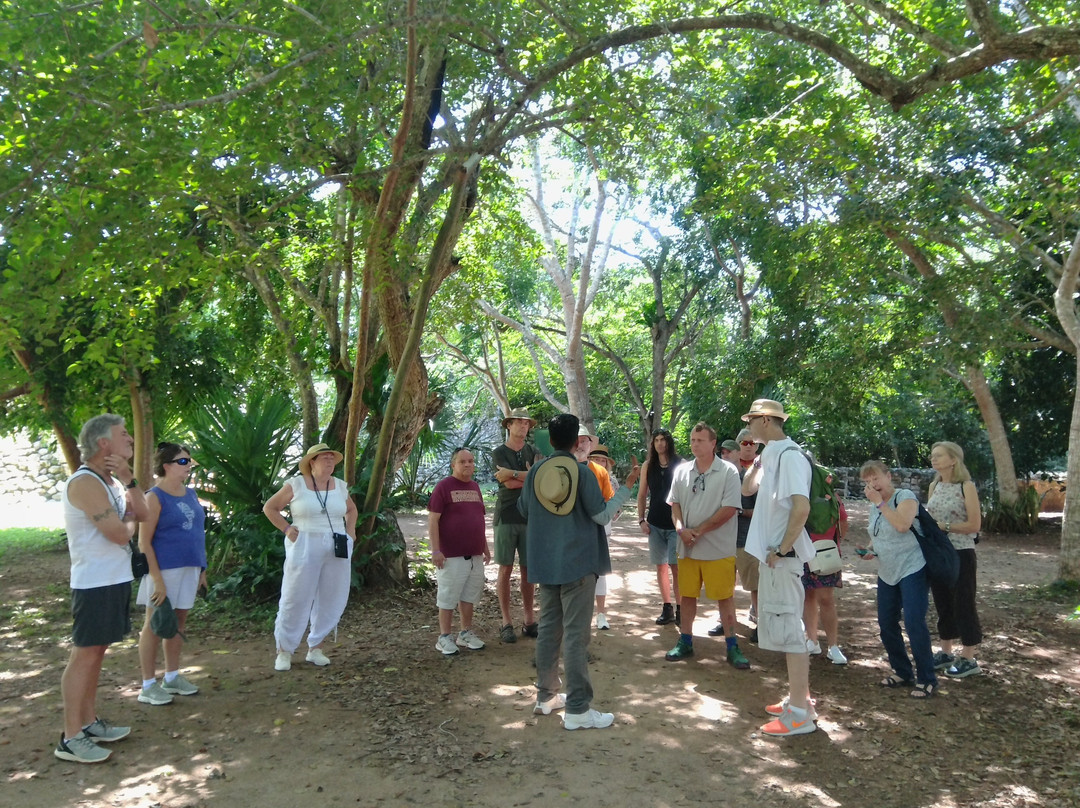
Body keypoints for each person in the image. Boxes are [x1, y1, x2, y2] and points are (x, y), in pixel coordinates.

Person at [518, 413, 638, 730]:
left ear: (550, 440)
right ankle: (578, 709)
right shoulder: (582, 473)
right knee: (575, 636)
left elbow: (524, 509)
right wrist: (626, 488)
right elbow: (602, 516)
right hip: (579, 563)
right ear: (576, 442)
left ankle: (545, 696)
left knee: (549, 630)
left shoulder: (536, 472)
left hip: (546, 563)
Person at [56, 413, 149, 763]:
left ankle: (88, 722)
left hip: (114, 579)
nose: (130, 438)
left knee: (97, 653)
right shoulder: (85, 482)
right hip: (94, 583)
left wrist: (129, 479)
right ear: (103, 443)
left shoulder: (111, 480)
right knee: (85, 655)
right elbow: (120, 533)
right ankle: (70, 737)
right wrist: (128, 520)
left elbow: (142, 513)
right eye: (123, 434)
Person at [742, 399, 817, 737]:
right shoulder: (772, 455)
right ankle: (801, 701)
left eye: (751, 420)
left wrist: (782, 549)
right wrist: (758, 460)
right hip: (774, 558)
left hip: (782, 559)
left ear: (765, 421)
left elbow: (801, 507)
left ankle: (799, 714)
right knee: (787, 630)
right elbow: (747, 488)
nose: (747, 426)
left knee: (790, 632)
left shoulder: (790, 457)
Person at [263, 443, 358, 671]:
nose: (329, 460)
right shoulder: (296, 484)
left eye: (331, 457)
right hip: (304, 543)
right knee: (295, 596)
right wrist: (287, 529)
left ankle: (316, 647)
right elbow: (270, 508)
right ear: (312, 462)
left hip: (336, 545)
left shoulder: (340, 486)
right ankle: (284, 651)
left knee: (331, 596)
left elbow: (351, 510)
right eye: (324, 457)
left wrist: (350, 532)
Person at [665, 422, 749, 670]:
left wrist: (699, 531)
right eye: (692, 440)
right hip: (687, 548)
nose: (694, 444)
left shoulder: (728, 472)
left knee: (724, 597)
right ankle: (685, 641)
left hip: (718, 549)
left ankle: (732, 646)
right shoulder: (682, 471)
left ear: (713, 444)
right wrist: (681, 529)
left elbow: (730, 508)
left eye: (700, 440)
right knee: (687, 596)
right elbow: (675, 505)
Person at [858, 459, 938, 698]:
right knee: (886, 622)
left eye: (876, 478)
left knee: (914, 621)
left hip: (913, 567)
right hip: (887, 571)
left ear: (888, 476)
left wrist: (880, 503)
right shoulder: (876, 506)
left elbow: (902, 525)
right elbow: (879, 532)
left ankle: (927, 678)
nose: (873, 484)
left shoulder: (904, 497)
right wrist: (870, 549)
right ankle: (902, 671)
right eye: (867, 481)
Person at [136, 442, 208, 706]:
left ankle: (172, 676)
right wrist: (157, 580)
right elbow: (144, 542)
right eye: (183, 461)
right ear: (166, 466)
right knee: (154, 625)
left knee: (178, 623)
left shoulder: (191, 494)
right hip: (163, 570)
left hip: (190, 567)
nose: (189, 466)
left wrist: (202, 569)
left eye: (189, 461)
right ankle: (147, 685)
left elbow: (197, 533)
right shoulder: (154, 497)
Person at [926, 441, 983, 678]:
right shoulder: (934, 485)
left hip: (961, 552)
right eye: (932, 455)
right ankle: (945, 652)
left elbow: (975, 524)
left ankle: (969, 657)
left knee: (963, 603)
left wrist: (945, 526)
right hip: (939, 553)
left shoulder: (966, 486)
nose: (934, 459)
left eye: (939, 455)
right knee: (943, 603)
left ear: (953, 460)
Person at [430, 448, 491, 655]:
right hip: (451, 555)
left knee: (469, 596)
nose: (467, 465)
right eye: (462, 461)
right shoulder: (443, 487)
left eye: (471, 461)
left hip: (474, 554)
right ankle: (444, 637)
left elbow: (479, 519)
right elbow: (433, 520)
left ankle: (465, 633)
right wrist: (435, 550)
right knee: (447, 597)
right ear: (453, 464)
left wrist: (485, 548)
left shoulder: (475, 487)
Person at [491, 408, 541, 643]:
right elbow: (509, 485)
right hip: (506, 515)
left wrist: (512, 474)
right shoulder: (498, 452)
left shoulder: (534, 452)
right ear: (508, 425)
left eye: (526, 423)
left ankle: (529, 620)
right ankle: (506, 622)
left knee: (529, 570)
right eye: (518, 422)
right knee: (505, 568)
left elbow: (540, 480)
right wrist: (528, 476)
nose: (523, 425)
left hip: (530, 517)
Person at [710, 428, 760, 641]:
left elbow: (761, 511)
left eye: (729, 452)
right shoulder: (719, 477)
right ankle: (724, 621)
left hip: (745, 540)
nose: (725, 455)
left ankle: (760, 625)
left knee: (754, 585)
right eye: (723, 452)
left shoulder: (752, 477)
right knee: (724, 584)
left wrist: (738, 511)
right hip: (723, 540)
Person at [637, 429, 682, 626]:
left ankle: (681, 608)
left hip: (675, 525)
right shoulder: (648, 465)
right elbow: (642, 494)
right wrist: (641, 520)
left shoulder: (680, 464)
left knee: (676, 567)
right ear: (652, 443)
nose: (660, 443)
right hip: (654, 524)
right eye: (656, 440)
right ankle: (667, 607)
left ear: (669, 442)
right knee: (661, 567)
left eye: (663, 440)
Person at [802, 497, 849, 665]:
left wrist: (831, 543)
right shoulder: (801, 493)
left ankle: (833, 646)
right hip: (804, 552)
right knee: (807, 597)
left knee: (826, 599)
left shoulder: (832, 497)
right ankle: (812, 640)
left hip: (824, 552)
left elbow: (843, 522)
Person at [576, 430, 614, 630]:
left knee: (599, 572)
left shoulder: (600, 472)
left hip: (597, 528)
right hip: (570, 530)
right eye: (577, 440)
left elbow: (609, 500)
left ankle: (601, 614)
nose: (581, 444)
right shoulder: (561, 467)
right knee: (573, 573)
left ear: (590, 444)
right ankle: (575, 617)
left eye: (585, 440)